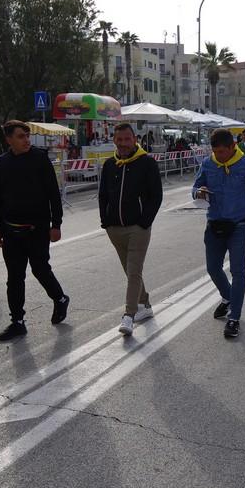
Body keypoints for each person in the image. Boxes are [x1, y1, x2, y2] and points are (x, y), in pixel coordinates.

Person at [0, 120, 68, 342]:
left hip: (37, 229)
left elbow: (53, 194)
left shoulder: (40, 159)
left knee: (40, 270)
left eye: (27, 135)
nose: (27, 140)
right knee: (14, 278)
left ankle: (60, 299)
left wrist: (56, 224)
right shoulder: (2, 163)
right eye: (21, 136)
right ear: (9, 140)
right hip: (11, 231)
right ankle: (17, 321)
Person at [192, 129, 245, 339]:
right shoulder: (208, 163)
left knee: (238, 272)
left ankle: (234, 318)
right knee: (213, 268)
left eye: (222, 152)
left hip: (238, 226)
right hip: (214, 225)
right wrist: (198, 192)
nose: (218, 156)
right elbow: (196, 186)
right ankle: (228, 297)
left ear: (233, 146)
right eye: (215, 152)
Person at [97, 122, 162, 336]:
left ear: (135, 140)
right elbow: (103, 195)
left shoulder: (147, 163)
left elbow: (156, 196)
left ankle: (129, 315)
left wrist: (144, 222)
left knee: (134, 271)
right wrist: (105, 221)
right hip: (114, 228)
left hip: (138, 228)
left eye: (127, 139)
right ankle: (146, 305)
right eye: (119, 139)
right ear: (114, 140)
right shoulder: (110, 164)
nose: (123, 143)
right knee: (129, 270)